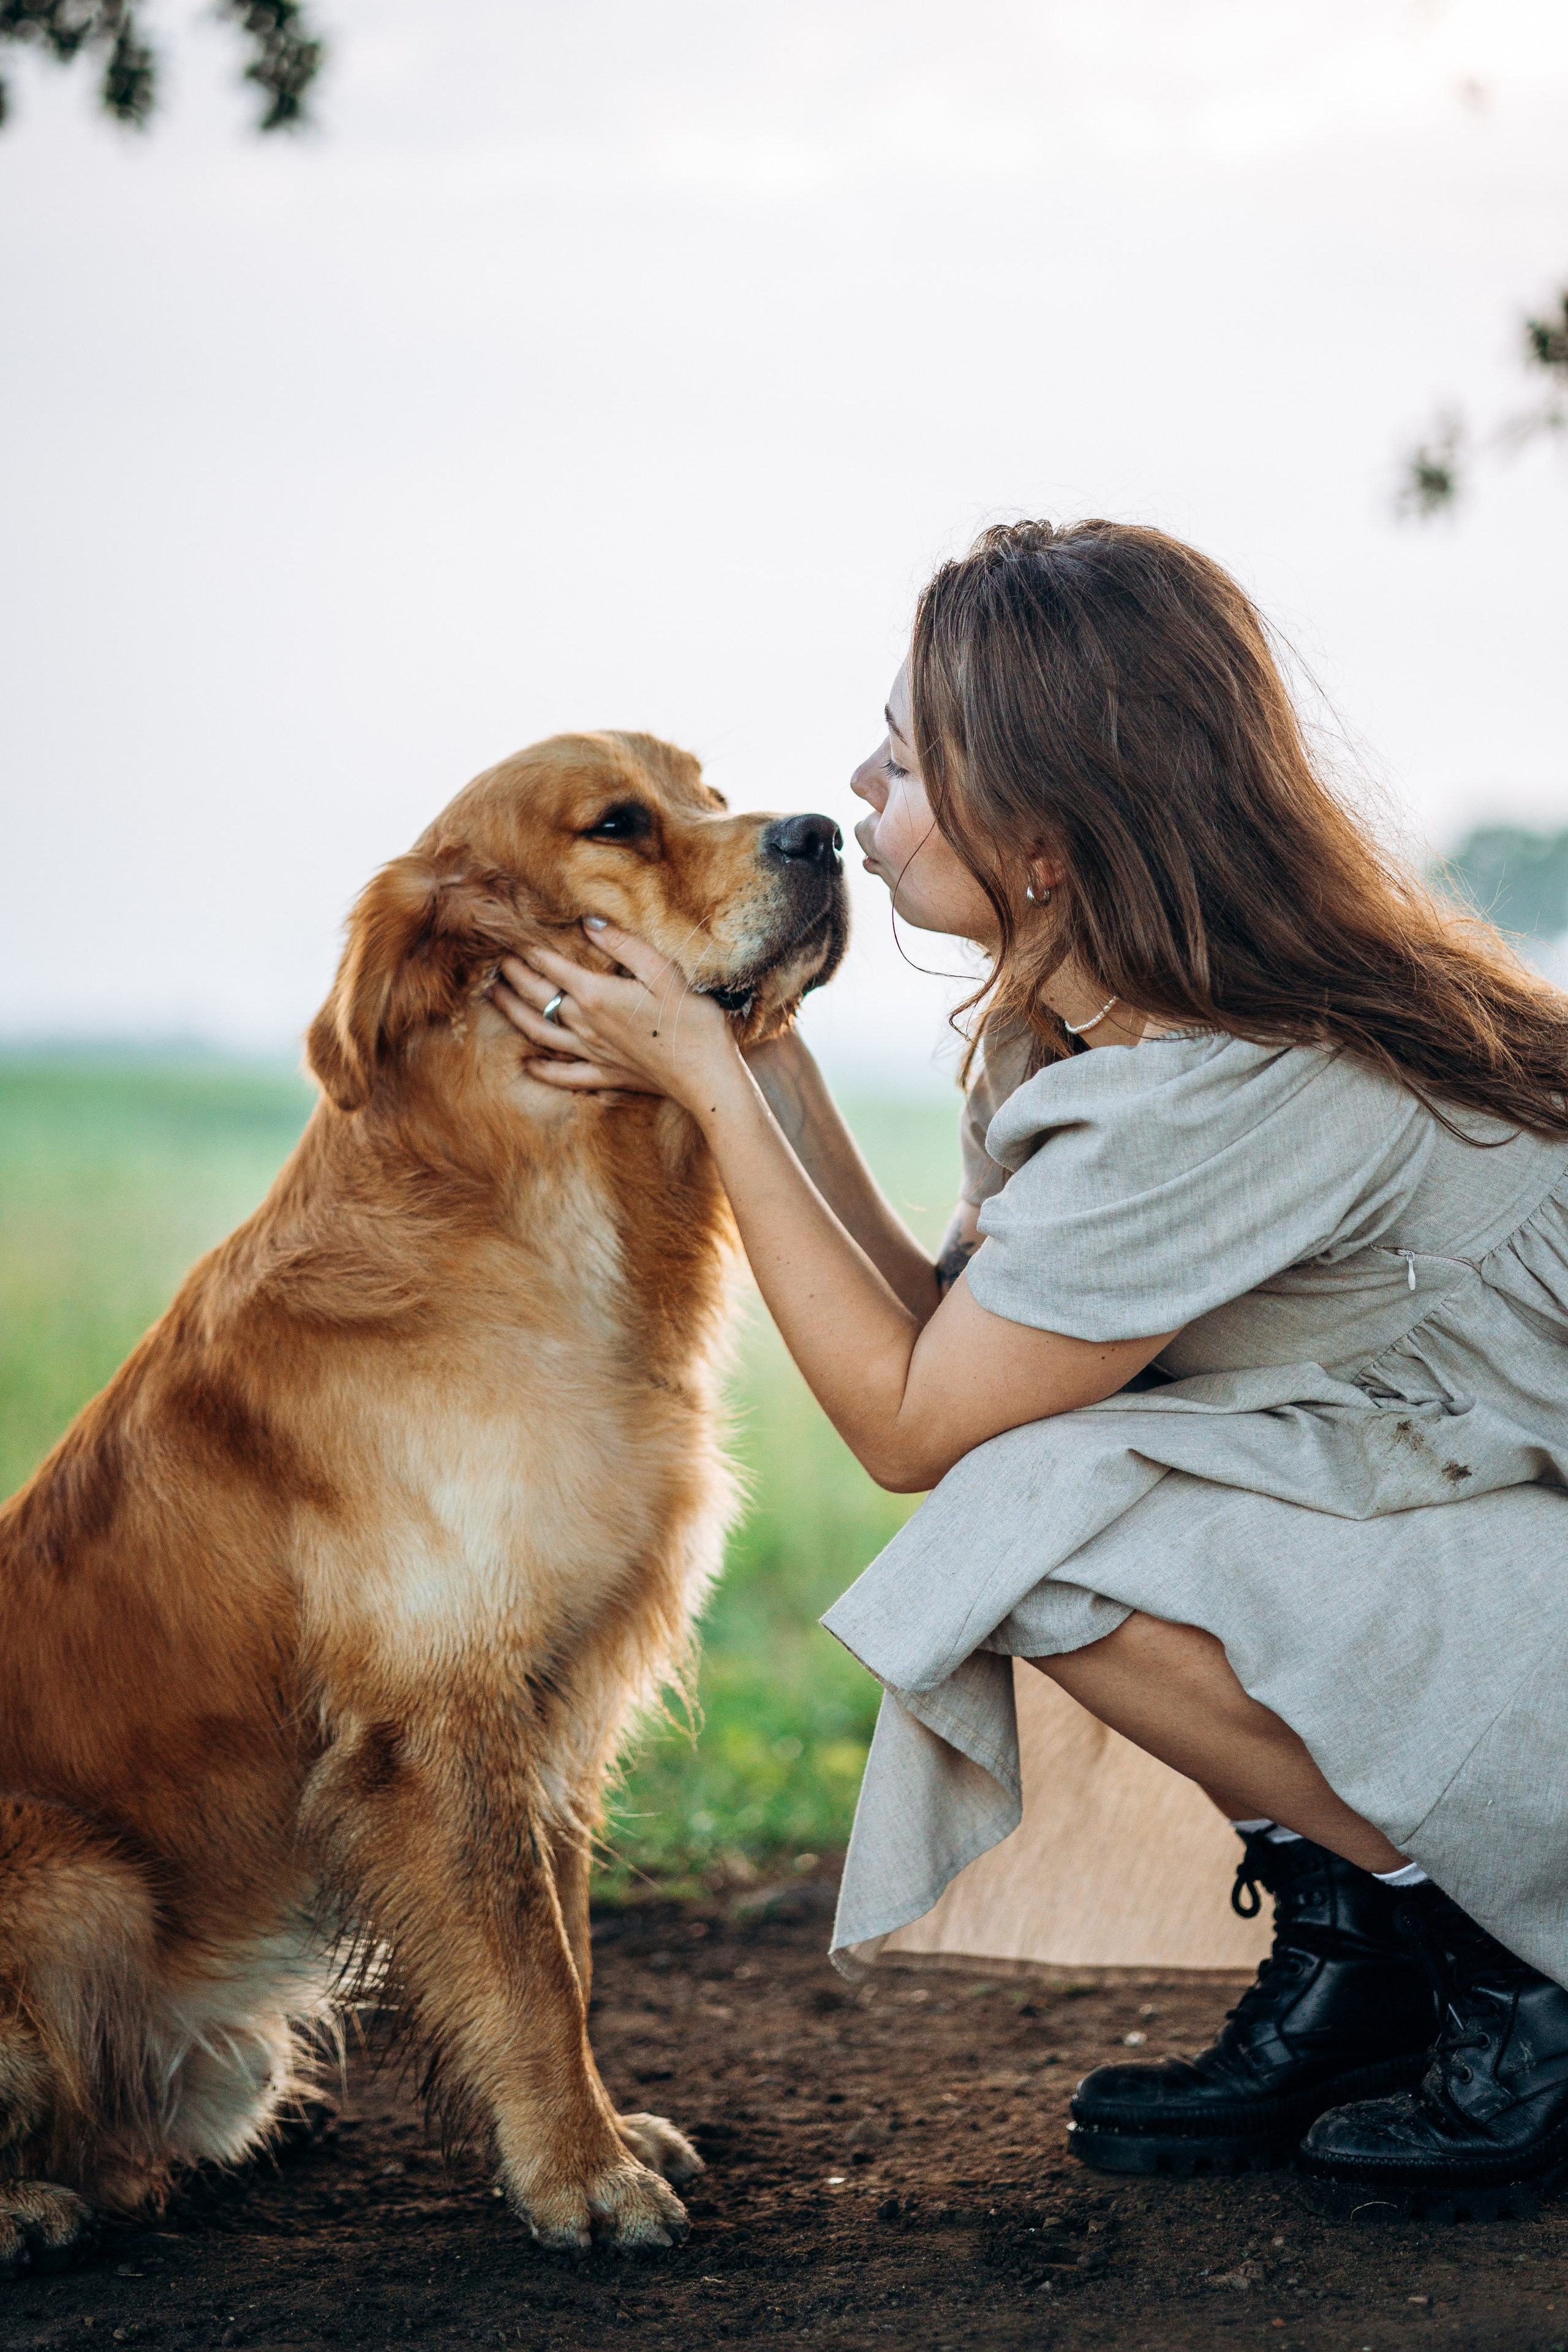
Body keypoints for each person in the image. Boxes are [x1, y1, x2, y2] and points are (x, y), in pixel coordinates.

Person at [491, 519, 1568, 2219]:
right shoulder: (1107, 1033)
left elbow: (914, 1427)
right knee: (1040, 1489)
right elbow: (953, 1339)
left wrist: (703, 1083)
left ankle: (1520, 1973)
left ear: (1045, 840)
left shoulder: (1220, 1084)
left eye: (908, 759)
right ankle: (1367, 1965)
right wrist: (768, 1067)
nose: (860, 784)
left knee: (1036, 1522)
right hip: (1487, 1551)